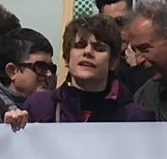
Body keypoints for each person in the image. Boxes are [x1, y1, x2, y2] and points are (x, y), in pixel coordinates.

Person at [18, 14, 149, 123]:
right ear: (67, 57)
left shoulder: (135, 117)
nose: (87, 52)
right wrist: (13, 129)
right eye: (79, 45)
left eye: (99, 48)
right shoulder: (39, 107)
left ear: (113, 62)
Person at [0, 29, 55, 125]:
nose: (48, 74)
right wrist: (5, 131)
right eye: (41, 68)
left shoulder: (50, 106)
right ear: (12, 71)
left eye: (51, 68)